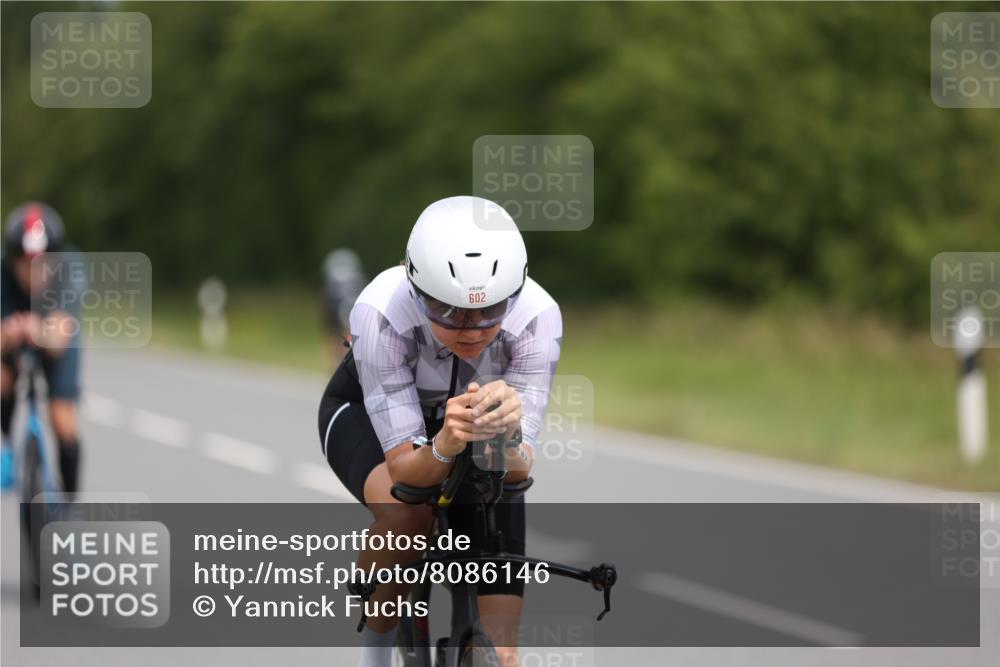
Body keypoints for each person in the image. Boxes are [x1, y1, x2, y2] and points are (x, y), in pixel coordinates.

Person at [318, 196, 561, 667]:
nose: (471, 330)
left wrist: (508, 434)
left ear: (515, 294)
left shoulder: (537, 317)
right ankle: (375, 656)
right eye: (447, 310)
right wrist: (444, 445)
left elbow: (517, 471)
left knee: (504, 653)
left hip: (480, 430)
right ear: (415, 290)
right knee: (410, 517)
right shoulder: (381, 311)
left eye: (491, 310)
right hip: (364, 414)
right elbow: (406, 472)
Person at [1, 202, 85, 493]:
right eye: (26, 265)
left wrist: (37, 330)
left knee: (63, 418)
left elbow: (60, 338)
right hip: (14, 340)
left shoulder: (70, 270)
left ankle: (70, 499)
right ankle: (6, 444)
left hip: (54, 341)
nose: (34, 273)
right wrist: (9, 335)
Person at [322, 248, 366, 367]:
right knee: (335, 335)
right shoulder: (332, 290)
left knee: (338, 335)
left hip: (349, 311)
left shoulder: (355, 284)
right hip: (339, 310)